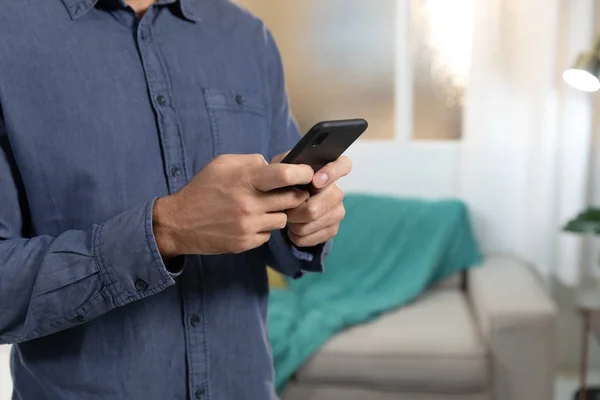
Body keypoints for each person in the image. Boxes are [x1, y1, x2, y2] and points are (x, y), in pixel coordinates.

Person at [0, 0, 351, 398]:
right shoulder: (8, 31)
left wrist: (309, 221)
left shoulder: (245, 36)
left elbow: (287, 224)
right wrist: (166, 230)